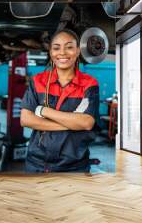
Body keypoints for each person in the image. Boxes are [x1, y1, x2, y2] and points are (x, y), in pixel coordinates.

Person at [20, 29, 100, 173]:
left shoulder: (89, 84)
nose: (62, 53)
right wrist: (71, 124)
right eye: (56, 48)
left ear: (77, 51)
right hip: (37, 164)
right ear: (51, 53)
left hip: (74, 167)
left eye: (69, 47)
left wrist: (44, 110)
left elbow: (86, 123)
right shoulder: (38, 81)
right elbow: (26, 120)